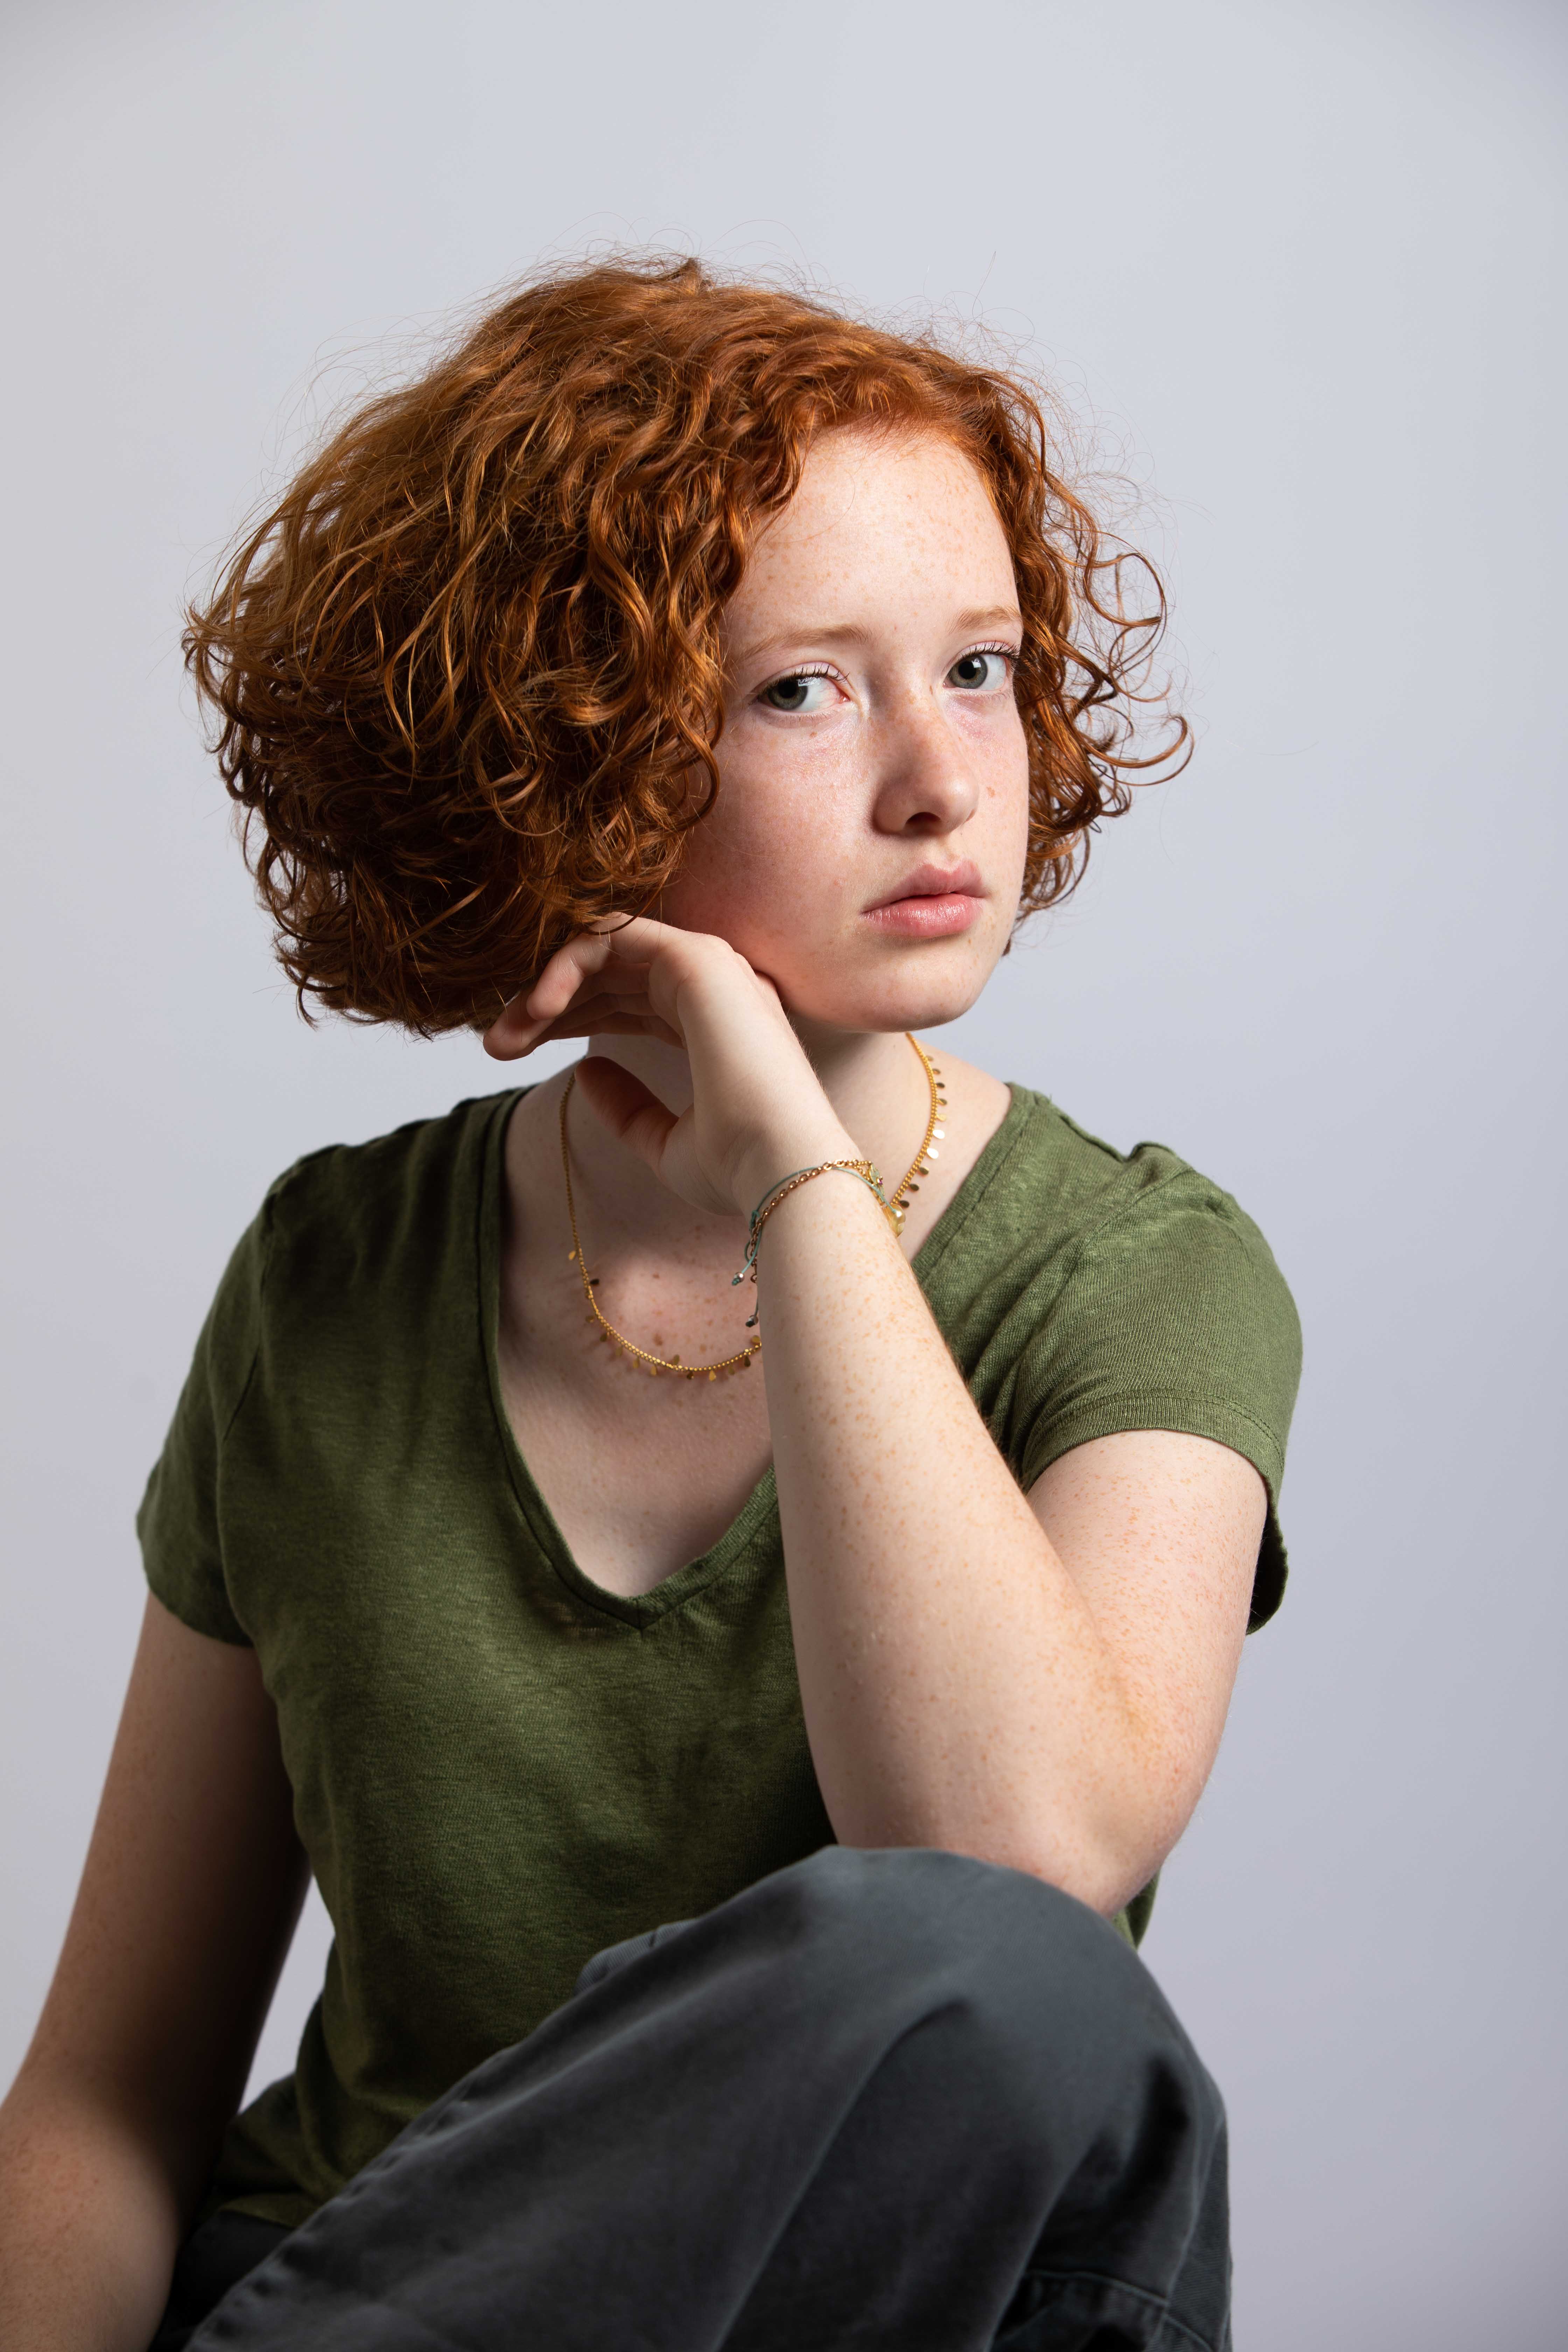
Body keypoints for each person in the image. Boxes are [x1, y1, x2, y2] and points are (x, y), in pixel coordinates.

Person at [0, 257, 1301, 2351]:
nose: (944, 780)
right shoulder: (333, 1281)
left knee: (1024, 2002)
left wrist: (792, 1164)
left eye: (980, 668)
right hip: (349, 2284)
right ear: (564, 752)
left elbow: (1014, 1866)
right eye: (805, 690)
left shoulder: (1141, 1274)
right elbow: (103, 2097)